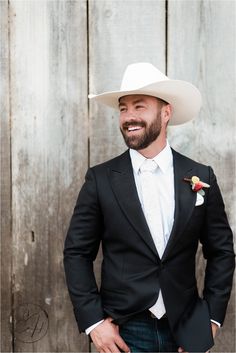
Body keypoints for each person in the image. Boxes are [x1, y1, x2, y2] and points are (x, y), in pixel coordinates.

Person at [63, 63, 235, 353]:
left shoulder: (201, 177)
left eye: (139, 107)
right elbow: (76, 253)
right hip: (124, 331)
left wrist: (212, 319)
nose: (129, 117)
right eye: (123, 108)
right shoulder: (100, 179)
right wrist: (94, 323)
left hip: (187, 329)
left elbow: (221, 252)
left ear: (166, 113)